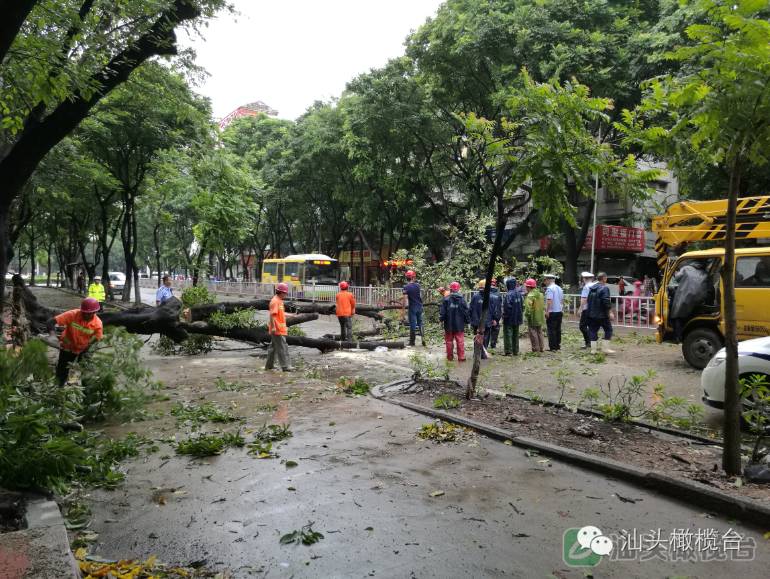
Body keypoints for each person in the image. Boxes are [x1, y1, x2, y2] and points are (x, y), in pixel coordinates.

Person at [47, 297, 103, 386]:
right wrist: (52, 336)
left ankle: (82, 388)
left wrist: (88, 349)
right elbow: (51, 322)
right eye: (84, 313)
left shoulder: (97, 324)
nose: (85, 315)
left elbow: (97, 338)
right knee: (62, 371)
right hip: (67, 347)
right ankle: (58, 389)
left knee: (84, 370)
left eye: (89, 313)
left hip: (83, 349)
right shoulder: (72, 314)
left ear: (94, 312)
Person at [668, 260, 709, 342]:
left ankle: (678, 338)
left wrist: (675, 272)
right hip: (698, 300)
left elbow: (677, 278)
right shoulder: (704, 273)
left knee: (677, 317)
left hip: (683, 297)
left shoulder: (686, 268)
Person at [265, 283, 293, 372]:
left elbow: (280, 313)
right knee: (283, 347)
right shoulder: (275, 301)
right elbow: (273, 315)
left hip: (279, 329)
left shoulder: (279, 300)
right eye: (285, 293)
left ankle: (269, 366)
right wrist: (273, 327)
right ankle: (285, 366)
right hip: (277, 329)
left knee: (273, 348)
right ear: (281, 292)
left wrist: (292, 315)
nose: (286, 294)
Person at [439, 281, 470, 361]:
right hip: (459, 325)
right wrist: (467, 321)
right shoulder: (462, 300)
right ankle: (461, 357)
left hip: (448, 324)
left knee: (449, 341)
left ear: (450, 289)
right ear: (458, 289)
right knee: (460, 341)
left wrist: (441, 319)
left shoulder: (446, 300)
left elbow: (443, 312)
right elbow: (466, 312)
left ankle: (450, 357)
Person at [586, 272, 615, 354]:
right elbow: (606, 301)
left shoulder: (592, 288)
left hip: (591, 314)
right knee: (608, 329)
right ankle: (605, 348)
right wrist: (610, 312)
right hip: (602, 314)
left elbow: (588, 301)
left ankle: (593, 350)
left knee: (593, 330)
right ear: (604, 278)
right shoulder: (604, 288)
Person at [401, 270, 425, 347]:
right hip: (419, 306)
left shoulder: (406, 287)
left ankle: (412, 342)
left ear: (406, 277)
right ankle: (423, 340)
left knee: (413, 325)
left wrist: (403, 311)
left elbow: (404, 300)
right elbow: (419, 296)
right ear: (413, 277)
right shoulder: (418, 285)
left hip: (413, 307)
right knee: (420, 323)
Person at [523, 278, 545, 353]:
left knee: (533, 332)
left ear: (529, 287)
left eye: (526, 286)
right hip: (540, 317)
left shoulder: (530, 296)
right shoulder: (541, 294)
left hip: (532, 317)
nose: (526, 288)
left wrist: (526, 315)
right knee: (539, 331)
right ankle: (541, 347)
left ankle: (536, 349)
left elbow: (528, 308)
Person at [502, 278, 523, 356]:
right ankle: (515, 350)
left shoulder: (508, 295)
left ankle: (508, 351)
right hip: (517, 317)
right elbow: (521, 306)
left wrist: (504, 316)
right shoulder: (519, 294)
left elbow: (507, 307)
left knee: (508, 334)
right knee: (515, 334)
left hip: (509, 318)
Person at [544, 273, 564, 351]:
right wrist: (562, 309)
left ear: (549, 280)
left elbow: (549, 300)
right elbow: (562, 300)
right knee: (557, 329)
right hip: (559, 311)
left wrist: (547, 311)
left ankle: (552, 347)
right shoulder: (559, 288)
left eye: (545, 280)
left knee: (551, 330)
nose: (544, 281)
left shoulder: (550, 289)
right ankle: (557, 346)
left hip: (552, 311)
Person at [578, 272, 596, 350]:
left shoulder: (586, 287)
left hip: (586, 309)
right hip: (594, 308)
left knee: (582, 326)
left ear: (584, 278)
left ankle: (588, 342)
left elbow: (584, 299)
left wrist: (580, 309)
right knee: (592, 326)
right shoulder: (595, 285)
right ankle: (592, 342)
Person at [488, 279, 503, 349]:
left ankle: (485, 344)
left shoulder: (486, 293)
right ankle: (493, 344)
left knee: (487, 329)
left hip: (488, 315)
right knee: (495, 329)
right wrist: (498, 317)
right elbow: (499, 306)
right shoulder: (498, 294)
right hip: (496, 315)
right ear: (495, 284)